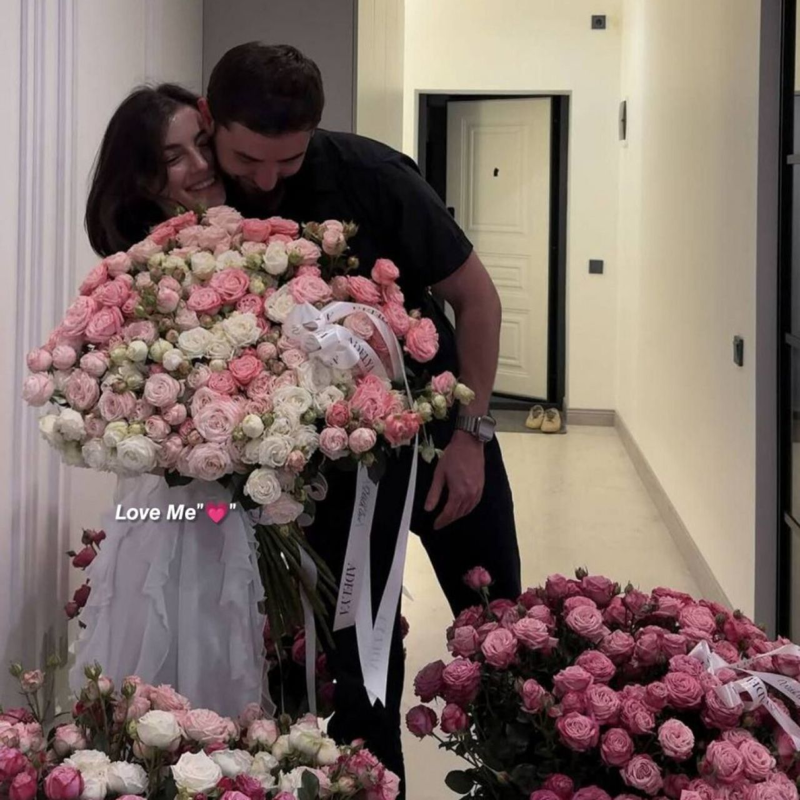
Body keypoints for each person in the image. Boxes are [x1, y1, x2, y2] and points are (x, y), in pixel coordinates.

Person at [202, 43, 522, 790]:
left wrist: (471, 436)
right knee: (359, 657)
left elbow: (478, 300)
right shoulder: (207, 196)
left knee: (498, 624)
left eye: (288, 160)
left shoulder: (374, 176)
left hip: (441, 436)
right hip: (328, 466)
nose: (267, 180)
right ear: (212, 121)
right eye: (248, 159)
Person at [70, 85, 267, 717]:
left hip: (255, 493)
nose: (201, 165)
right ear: (143, 178)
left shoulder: (255, 247)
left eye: (202, 144)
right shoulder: (137, 276)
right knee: (177, 632)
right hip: (174, 499)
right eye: (174, 157)